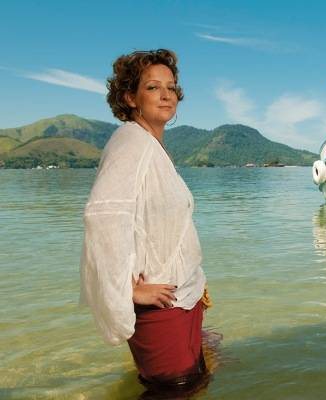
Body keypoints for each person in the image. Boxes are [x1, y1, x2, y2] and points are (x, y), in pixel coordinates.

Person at [80, 49, 212, 388]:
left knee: (194, 382)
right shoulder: (131, 142)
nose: (167, 94)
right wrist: (126, 290)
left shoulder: (151, 145)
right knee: (174, 390)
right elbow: (103, 216)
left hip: (178, 297)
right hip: (161, 308)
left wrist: (193, 277)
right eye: (153, 87)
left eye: (171, 87)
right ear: (130, 97)